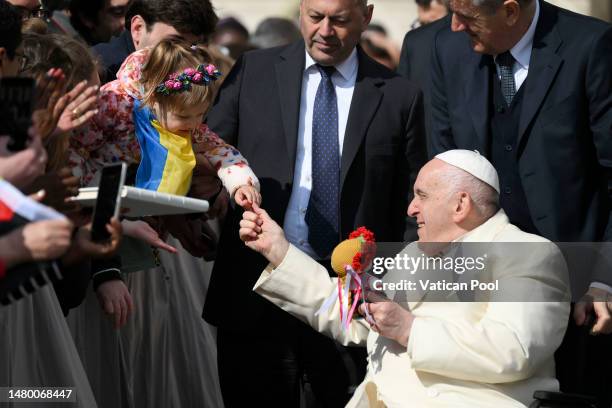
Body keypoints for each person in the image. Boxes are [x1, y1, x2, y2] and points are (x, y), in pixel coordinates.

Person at [204, 0, 427, 405]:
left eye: (340, 20)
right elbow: (212, 152)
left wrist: (395, 285)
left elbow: (410, 206)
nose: (325, 30)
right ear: (301, 11)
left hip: (348, 304)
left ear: (366, 16)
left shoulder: (399, 96)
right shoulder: (254, 72)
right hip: (256, 290)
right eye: (315, 17)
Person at [239, 150, 569, 407]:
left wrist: (409, 328)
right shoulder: (414, 254)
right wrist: (279, 251)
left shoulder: (528, 251)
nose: (411, 208)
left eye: (421, 195)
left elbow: (513, 349)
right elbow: (353, 320)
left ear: (460, 204)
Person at [429, 0, 612, 404]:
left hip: (576, 294)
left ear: (511, 11)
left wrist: (605, 279)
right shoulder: (447, 48)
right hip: (476, 292)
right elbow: (440, 169)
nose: (455, 27)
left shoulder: (591, 47)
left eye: (467, 17)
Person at [93, 0, 218, 84]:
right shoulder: (98, 72)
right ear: (138, 28)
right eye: (173, 42)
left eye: (192, 46)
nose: (183, 55)